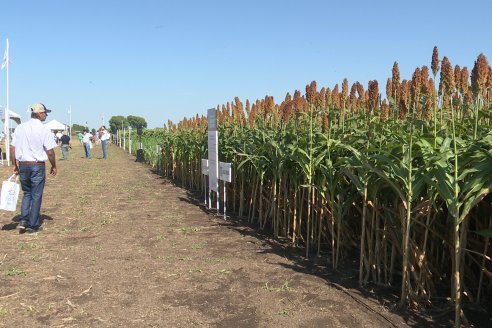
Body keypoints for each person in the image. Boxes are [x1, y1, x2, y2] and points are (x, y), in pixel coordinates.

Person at [10, 103, 57, 233]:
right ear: (39, 114)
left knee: (27, 193)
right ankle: (33, 224)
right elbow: (50, 151)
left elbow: (13, 148)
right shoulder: (44, 129)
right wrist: (53, 165)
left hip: (23, 164)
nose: (46, 115)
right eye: (45, 113)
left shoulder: (20, 128)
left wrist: (14, 164)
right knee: (36, 195)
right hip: (37, 165)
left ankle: (24, 219)